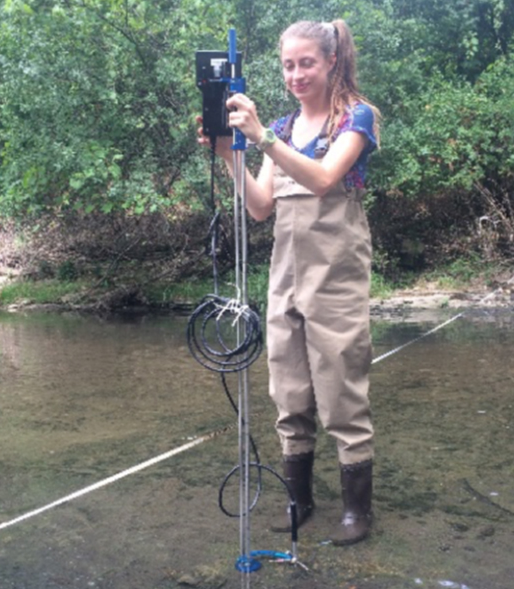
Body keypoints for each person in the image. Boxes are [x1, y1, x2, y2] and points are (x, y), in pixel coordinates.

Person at [197, 19, 379, 546]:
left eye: (307, 63)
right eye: (288, 65)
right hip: (285, 277)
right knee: (290, 390)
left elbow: (323, 180)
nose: (296, 74)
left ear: (331, 61)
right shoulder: (282, 125)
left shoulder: (355, 117)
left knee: (341, 391)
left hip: (337, 277)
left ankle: (357, 511)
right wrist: (228, 152)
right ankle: (299, 501)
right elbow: (259, 207)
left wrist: (262, 138)